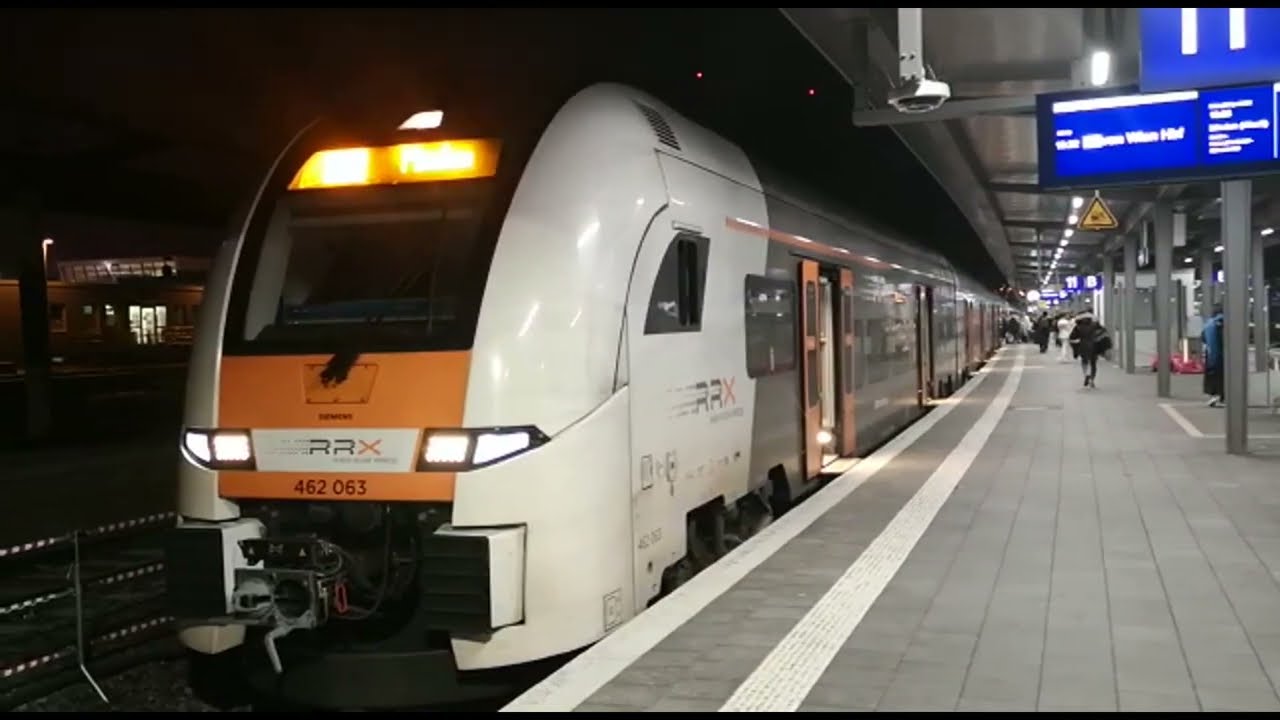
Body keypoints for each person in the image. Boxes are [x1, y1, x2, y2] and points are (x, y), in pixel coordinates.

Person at [1069, 309, 1110, 388]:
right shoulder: (1095, 325)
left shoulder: (1078, 327)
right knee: (1093, 363)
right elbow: (1103, 333)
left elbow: (1072, 337)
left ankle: (1086, 374)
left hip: (1083, 345)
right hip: (1094, 345)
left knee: (1084, 361)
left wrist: (1075, 347)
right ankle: (1092, 379)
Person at [1202, 304, 1225, 407]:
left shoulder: (1208, 323)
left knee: (1212, 374)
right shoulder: (1222, 323)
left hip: (1210, 353)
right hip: (1221, 354)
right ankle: (1221, 396)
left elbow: (1203, 337)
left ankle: (1213, 395)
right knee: (1222, 375)